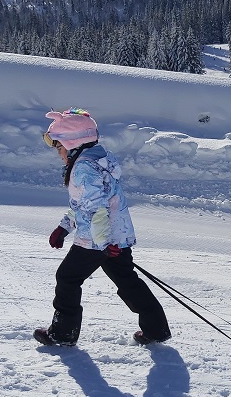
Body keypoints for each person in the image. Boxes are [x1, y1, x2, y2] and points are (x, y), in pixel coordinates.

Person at [34, 107, 172, 347]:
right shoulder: (97, 158)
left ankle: (62, 334)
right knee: (127, 280)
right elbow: (85, 206)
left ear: (71, 143)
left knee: (67, 278)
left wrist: (103, 244)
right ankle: (155, 329)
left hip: (96, 239)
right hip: (113, 237)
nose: (57, 153)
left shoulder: (84, 169)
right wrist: (64, 227)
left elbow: (96, 210)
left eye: (57, 146)